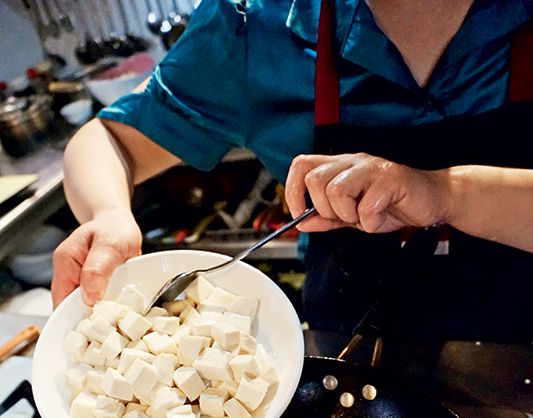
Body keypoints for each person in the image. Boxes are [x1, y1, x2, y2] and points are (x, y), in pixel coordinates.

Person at [53, 0, 533, 342]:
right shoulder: (255, 25)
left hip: (514, 356)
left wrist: (447, 194)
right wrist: (108, 213)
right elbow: (108, 138)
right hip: (351, 352)